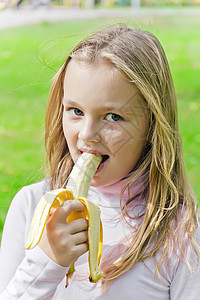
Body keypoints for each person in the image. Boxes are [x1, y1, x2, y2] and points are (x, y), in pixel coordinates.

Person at [0, 24, 200, 299]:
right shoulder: (30, 206)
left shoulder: (181, 231)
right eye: (76, 111)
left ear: (152, 126)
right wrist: (47, 261)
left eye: (113, 117)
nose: (86, 135)